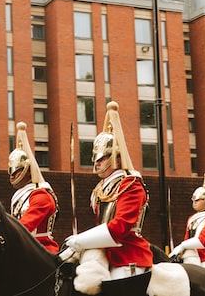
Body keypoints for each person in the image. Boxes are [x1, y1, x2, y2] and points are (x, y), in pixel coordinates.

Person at [63, 101, 152, 284]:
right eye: (96, 159)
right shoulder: (101, 188)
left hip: (128, 255)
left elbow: (120, 228)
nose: (97, 163)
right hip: (103, 253)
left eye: (102, 158)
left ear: (118, 158)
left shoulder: (131, 185)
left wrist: (80, 241)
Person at [8, 121, 60, 254]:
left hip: (41, 250)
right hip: (23, 248)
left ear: (28, 170)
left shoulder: (41, 195)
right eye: (11, 171)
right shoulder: (21, 195)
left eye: (17, 171)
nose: (13, 176)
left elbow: (25, 226)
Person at [169, 172, 205, 268]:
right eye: (193, 200)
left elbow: (201, 241)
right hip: (193, 255)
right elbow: (187, 238)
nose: (194, 203)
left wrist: (182, 246)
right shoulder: (191, 218)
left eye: (197, 200)